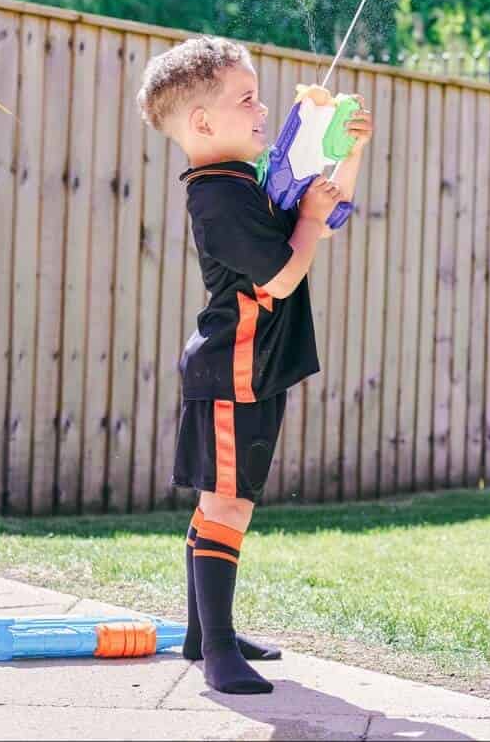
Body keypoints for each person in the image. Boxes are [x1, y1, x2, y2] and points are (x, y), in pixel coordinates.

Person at [135, 37, 372, 693]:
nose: (262, 107)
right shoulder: (217, 197)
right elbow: (285, 275)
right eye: (246, 98)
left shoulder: (248, 180)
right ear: (203, 123)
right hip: (234, 369)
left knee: (225, 502)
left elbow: (324, 218)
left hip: (251, 367)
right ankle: (218, 655)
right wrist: (311, 220)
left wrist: (347, 152)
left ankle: (202, 633)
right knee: (228, 506)